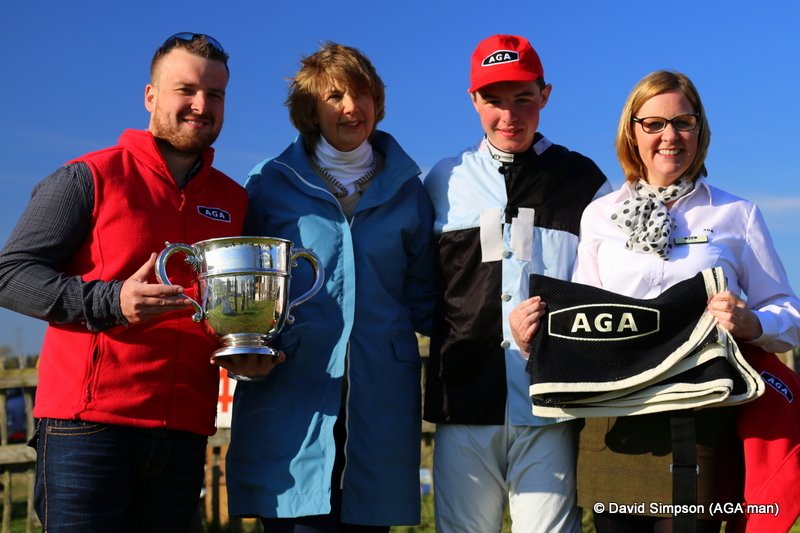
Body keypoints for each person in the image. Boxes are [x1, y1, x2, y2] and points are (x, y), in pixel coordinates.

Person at [0, 33, 279, 532]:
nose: (201, 105)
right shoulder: (89, 176)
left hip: (184, 434)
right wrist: (110, 300)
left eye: (215, 94)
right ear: (150, 96)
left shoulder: (235, 201)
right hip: (86, 430)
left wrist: (246, 343)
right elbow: (10, 275)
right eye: (186, 90)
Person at [511, 70, 800, 532]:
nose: (670, 136)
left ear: (700, 130)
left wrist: (753, 322)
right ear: (633, 131)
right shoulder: (599, 214)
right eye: (654, 124)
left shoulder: (736, 213)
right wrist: (533, 339)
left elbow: (790, 313)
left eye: (683, 122)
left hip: (700, 412)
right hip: (615, 419)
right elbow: (584, 320)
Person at [224, 42, 437, 532]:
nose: (351, 107)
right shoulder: (268, 184)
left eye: (361, 94)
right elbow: (245, 295)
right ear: (310, 110)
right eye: (335, 95)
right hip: (294, 390)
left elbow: (425, 298)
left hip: (381, 395)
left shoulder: (409, 189)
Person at [423, 34, 611, 533]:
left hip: (550, 401)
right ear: (473, 100)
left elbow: (606, 287)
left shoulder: (585, 181)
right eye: (494, 100)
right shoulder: (443, 179)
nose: (509, 115)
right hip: (463, 398)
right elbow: (421, 287)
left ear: (545, 95)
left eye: (523, 98)